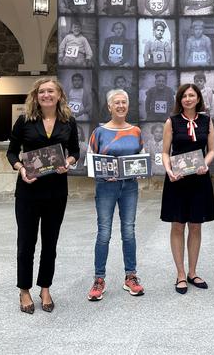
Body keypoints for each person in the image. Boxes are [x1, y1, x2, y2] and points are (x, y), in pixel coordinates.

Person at [6, 78, 80, 314]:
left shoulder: (68, 121)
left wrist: (68, 162)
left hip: (56, 191)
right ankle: (24, 289)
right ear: (36, 96)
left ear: (59, 95)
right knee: (26, 243)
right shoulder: (25, 120)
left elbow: (75, 151)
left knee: (50, 243)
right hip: (29, 189)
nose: (46, 95)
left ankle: (45, 287)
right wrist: (21, 168)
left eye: (50, 91)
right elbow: (11, 152)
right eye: (41, 92)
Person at [86, 89, 145, 301]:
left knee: (129, 231)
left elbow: (140, 157)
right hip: (106, 188)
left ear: (127, 106)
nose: (120, 106)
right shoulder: (99, 132)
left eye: (123, 103)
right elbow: (90, 161)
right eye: (116, 103)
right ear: (109, 107)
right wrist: (102, 174)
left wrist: (138, 171)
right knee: (104, 232)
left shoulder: (136, 131)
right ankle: (99, 279)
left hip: (129, 187)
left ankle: (131, 277)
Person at [160, 84, 214, 294]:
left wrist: (206, 164)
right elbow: (165, 152)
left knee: (196, 225)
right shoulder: (171, 122)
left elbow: (211, 150)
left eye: (192, 95)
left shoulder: (207, 121)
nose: (188, 99)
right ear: (180, 100)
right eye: (184, 96)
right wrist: (169, 170)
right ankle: (180, 274)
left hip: (199, 179)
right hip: (177, 179)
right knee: (177, 225)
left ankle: (193, 272)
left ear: (199, 98)